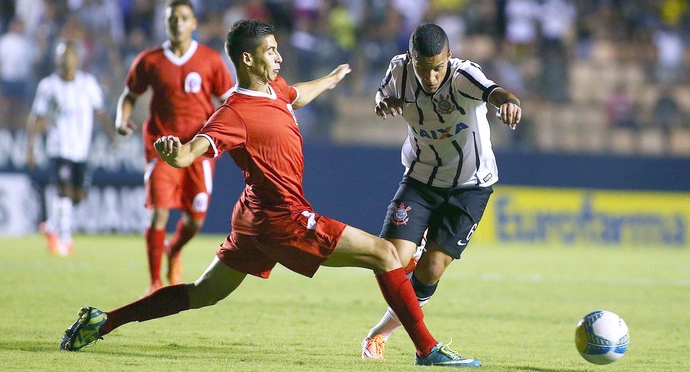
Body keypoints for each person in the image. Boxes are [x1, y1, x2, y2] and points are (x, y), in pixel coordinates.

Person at [59, 19, 479, 368]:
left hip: (252, 219)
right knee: (386, 255)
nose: (278, 56)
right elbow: (192, 152)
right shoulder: (233, 112)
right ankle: (428, 350)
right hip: (283, 219)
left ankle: (105, 321)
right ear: (248, 58)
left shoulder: (274, 90)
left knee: (204, 293)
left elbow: (299, 93)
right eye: (271, 50)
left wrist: (331, 80)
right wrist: (174, 154)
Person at [361, 22, 521, 361]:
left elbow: (495, 92)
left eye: (437, 68)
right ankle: (417, 328)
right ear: (411, 58)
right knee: (390, 257)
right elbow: (382, 92)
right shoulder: (398, 69)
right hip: (420, 179)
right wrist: (383, 102)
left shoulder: (464, 75)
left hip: (470, 186)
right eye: (422, 68)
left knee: (431, 269)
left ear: (449, 57)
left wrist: (509, 102)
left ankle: (379, 334)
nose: (430, 77)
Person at [115, 0, 235, 294]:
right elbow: (129, 95)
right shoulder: (149, 60)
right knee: (159, 212)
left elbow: (228, 102)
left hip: (198, 150)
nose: (178, 23)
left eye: (183, 18)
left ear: (193, 22)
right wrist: (122, 120)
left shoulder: (210, 60)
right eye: (172, 18)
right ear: (165, 22)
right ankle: (155, 283)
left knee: (195, 219)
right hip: (162, 149)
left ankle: (175, 249)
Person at [25, 40, 115, 256]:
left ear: (78, 59)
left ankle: (51, 225)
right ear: (57, 59)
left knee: (78, 196)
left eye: (71, 56)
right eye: (63, 56)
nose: (67, 60)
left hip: (81, 150)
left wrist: (112, 135)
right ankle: (65, 240)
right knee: (63, 192)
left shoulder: (88, 83)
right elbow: (37, 117)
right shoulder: (48, 86)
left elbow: (100, 111)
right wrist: (30, 149)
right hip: (59, 149)